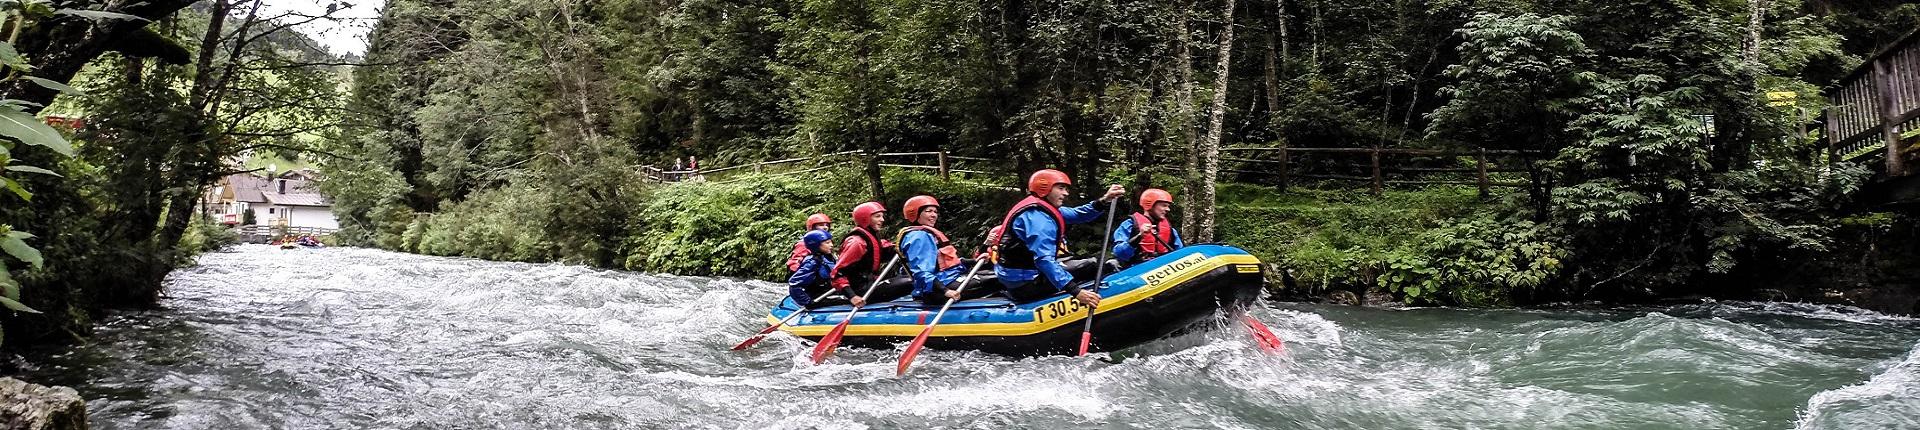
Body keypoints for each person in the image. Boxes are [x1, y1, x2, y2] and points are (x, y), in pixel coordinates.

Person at [992, 169, 1125, 308]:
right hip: (1025, 284)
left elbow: (1078, 214)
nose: (1066, 193)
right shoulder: (1038, 219)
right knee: (1093, 265)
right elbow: (1044, 260)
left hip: (1023, 275)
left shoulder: (1041, 208)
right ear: (1044, 188)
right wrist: (1076, 291)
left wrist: (1105, 199)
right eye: (1061, 188)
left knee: (1083, 260)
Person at [896, 196, 997, 306]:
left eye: (935, 212)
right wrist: (945, 291)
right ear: (914, 214)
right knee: (1000, 278)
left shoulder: (926, 234)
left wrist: (974, 261)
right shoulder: (919, 237)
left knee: (995, 272)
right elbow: (921, 272)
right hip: (937, 289)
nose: (934, 215)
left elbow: (947, 264)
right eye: (928, 211)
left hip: (948, 278)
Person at [829, 202, 911, 305]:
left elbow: (886, 249)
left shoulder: (872, 238)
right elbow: (837, 274)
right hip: (861, 292)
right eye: (877, 216)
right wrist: (852, 296)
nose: (882, 220)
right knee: (910, 282)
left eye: (882, 216)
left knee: (908, 277)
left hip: (870, 284)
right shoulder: (857, 243)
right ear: (865, 219)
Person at [1112, 188, 1185, 266]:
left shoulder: (1171, 230)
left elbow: (1181, 253)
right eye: (1164, 205)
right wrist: (1139, 236)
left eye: (1168, 206)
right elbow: (1119, 253)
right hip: (1136, 269)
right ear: (1149, 205)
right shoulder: (1129, 225)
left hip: (1163, 269)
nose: (1168, 209)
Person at [788, 230, 851, 309]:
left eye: (831, 242)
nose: (831, 245)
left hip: (831, 292)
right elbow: (794, 284)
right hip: (819, 297)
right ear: (816, 245)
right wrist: (808, 302)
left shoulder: (831, 257)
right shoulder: (812, 262)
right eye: (827, 243)